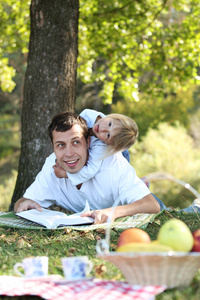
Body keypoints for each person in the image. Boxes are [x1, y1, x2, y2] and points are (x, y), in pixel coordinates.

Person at [14, 111, 161, 224]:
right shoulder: (52, 166)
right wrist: (24, 204)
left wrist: (112, 212)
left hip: (134, 198)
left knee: (174, 212)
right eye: (60, 145)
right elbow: (21, 202)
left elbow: (152, 205)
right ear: (53, 147)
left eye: (76, 142)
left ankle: (139, 184)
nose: (69, 153)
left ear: (89, 142)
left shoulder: (111, 163)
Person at [53, 109, 138, 186]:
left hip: (123, 154)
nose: (103, 129)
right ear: (113, 117)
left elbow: (90, 170)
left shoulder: (101, 146)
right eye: (109, 124)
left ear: (108, 143)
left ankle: (136, 183)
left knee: (122, 179)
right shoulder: (88, 115)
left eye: (108, 135)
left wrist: (66, 174)